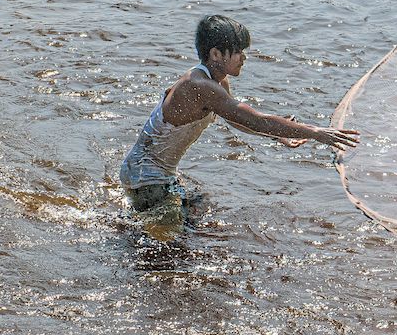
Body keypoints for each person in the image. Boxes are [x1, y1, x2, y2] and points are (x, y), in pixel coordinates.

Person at [119, 14, 359, 213]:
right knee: (175, 246)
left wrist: (278, 136)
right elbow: (254, 119)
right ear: (216, 54)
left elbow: (238, 120)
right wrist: (316, 132)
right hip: (146, 178)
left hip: (155, 174)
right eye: (238, 52)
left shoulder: (216, 82)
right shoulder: (200, 86)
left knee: (197, 213)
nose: (244, 58)